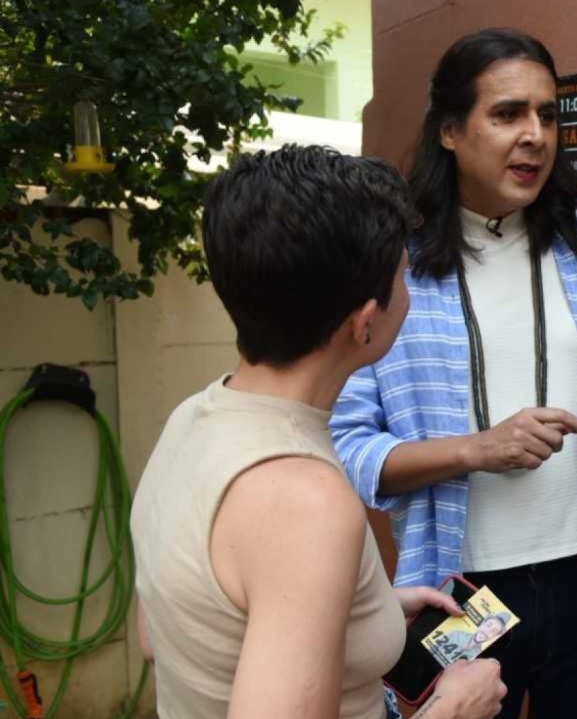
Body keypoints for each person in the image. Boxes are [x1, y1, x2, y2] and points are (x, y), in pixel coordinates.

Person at [331, 28, 577, 719]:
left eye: (548, 115)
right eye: (508, 114)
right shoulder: (396, 262)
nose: (535, 135)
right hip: (458, 585)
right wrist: (475, 450)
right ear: (450, 130)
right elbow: (344, 443)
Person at [131, 145, 506, 719]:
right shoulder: (304, 501)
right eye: (403, 277)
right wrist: (455, 707)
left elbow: (167, 632)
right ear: (365, 322)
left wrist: (362, 612)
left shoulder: (193, 419)